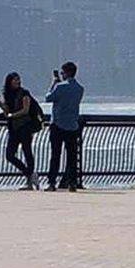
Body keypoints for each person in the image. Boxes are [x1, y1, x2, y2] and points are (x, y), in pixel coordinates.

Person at [0, 71, 40, 189]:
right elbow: (7, 111)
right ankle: (30, 174)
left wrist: (12, 116)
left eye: (18, 80)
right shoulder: (7, 94)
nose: (17, 82)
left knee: (27, 151)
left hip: (25, 126)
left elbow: (25, 110)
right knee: (9, 155)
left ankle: (29, 180)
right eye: (15, 80)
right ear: (9, 82)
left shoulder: (24, 93)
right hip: (13, 128)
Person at [45, 61, 84, 191]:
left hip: (57, 124)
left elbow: (48, 98)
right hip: (73, 125)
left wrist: (54, 83)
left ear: (66, 73)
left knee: (55, 155)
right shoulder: (80, 88)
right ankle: (72, 183)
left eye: (62, 73)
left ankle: (51, 183)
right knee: (72, 156)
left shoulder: (60, 87)